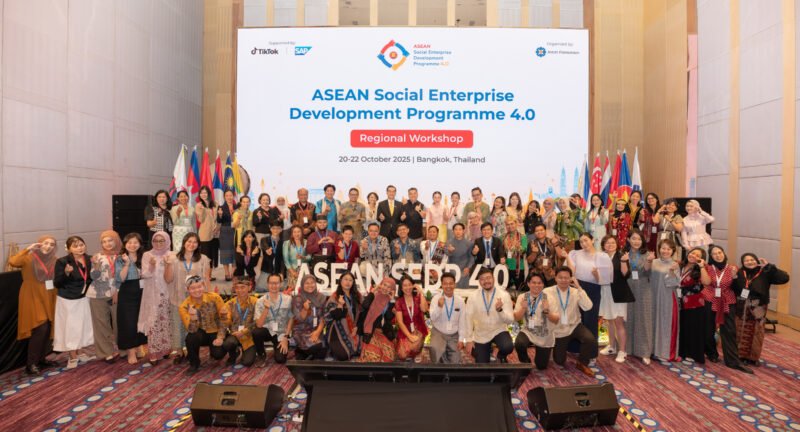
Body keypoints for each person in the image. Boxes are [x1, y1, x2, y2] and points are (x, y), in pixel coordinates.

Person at [8, 236, 59, 375]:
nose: (48, 246)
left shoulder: (54, 260)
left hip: (49, 294)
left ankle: (41, 359)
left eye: (52, 244)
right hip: (32, 294)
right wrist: (28, 249)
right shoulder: (29, 258)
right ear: (39, 243)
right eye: (45, 243)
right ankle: (31, 364)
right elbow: (13, 261)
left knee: (48, 327)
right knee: (40, 327)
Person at [700, 245, 752, 373]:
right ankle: (712, 353)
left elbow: (739, 289)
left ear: (724, 253)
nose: (718, 255)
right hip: (710, 298)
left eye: (719, 252)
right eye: (714, 254)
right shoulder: (708, 267)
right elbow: (706, 283)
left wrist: (735, 277)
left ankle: (732, 361)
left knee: (729, 330)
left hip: (727, 300)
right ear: (711, 257)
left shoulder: (732, 268)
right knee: (708, 328)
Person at [733, 253, 789, 365]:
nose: (749, 262)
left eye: (752, 259)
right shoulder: (739, 273)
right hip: (741, 306)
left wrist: (770, 267)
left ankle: (753, 357)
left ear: (756, 260)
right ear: (743, 263)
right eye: (746, 260)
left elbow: (784, 278)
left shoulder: (765, 272)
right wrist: (733, 277)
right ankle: (739, 355)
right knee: (740, 330)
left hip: (758, 307)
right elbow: (734, 288)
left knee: (756, 332)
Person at [563, 233, 612, 360]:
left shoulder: (602, 256)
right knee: (576, 318)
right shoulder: (575, 253)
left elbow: (605, 279)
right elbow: (571, 272)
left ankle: (590, 352)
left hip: (593, 288)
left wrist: (596, 275)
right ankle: (574, 348)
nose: (583, 244)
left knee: (590, 318)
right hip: (577, 287)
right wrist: (567, 257)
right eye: (581, 242)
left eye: (586, 240)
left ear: (592, 240)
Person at [165, 233, 212, 362]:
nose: (191, 244)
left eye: (195, 242)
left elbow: (206, 279)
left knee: (193, 325)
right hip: (178, 297)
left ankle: (191, 351)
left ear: (198, 245)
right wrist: (168, 265)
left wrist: (208, 297)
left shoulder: (203, 259)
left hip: (197, 299)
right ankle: (179, 352)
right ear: (184, 242)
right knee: (177, 325)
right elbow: (168, 279)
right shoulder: (174, 259)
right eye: (189, 241)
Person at [543, 267, 596, 377]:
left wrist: (579, 287)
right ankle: (556, 351)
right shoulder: (547, 292)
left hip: (574, 326)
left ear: (571, 279)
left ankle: (582, 363)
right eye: (560, 277)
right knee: (559, 361)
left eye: (566, 278)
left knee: (590, 339)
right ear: (555, 278)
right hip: (558, 329)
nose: (563, 280)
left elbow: (588, 306)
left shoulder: (576, 292)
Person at [53, 236, 95, 369]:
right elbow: (57, 283)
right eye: (75, 246)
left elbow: (91, 278)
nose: (79, 248)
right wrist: (66, 273)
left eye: (81, 244)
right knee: (71, 328)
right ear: (69, 248)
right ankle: (72, 356)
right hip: (68, 299)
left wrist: (97, 267)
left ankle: (81, 352)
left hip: (84, 297)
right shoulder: (63, 261)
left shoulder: (89, 259)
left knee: (83, 326)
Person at [180, 275, 229, 375]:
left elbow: (224, 319)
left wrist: (220, 337)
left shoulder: (215, 298)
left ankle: (221, 349)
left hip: (215, 330)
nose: (197, 290)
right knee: (191, 338)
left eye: (199, 286)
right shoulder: (184, 306)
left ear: (204, 286)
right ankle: (194, 363)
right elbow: (191, 330)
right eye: (193, 288)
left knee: (218, 355)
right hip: (199, 333)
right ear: (187, 289)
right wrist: (193, 318)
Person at [597, 235, 635, 363]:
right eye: (607, 243)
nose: (610, 245)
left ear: (617, 244)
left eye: (612, 242)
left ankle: (622, 351)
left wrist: (624, 262)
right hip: (605, 292)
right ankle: (611, 346)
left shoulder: (621, 256)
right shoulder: (601, 256)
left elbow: (625, 274)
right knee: (609, 321)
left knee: (618, 322)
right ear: (603, 245)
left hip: (618, 293)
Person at [464, 268, 514, 363]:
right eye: (482, 279)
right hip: (481, 334)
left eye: (488, 278)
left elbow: (510, 320)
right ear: (479, 281)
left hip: (498, 330)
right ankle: (489, 351)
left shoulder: (504, 295)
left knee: (507, 346)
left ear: (493, 279)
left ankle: (498, 352)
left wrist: (500, 310)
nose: (486, 281)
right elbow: (468, 318)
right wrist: (469, 339)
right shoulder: (473, 297)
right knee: (481, 363)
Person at [138, 231, 173, 365]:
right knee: (153, 323)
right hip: (152, 294)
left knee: (166, 322)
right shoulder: (147, 255)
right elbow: (145, 275)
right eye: (156, 241)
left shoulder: (171, 255)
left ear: (167, 241)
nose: (158, 244)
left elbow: (172, 276)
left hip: (168, 293)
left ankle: (165, 350)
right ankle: (153, 352)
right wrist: (152, 265)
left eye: (162, 241)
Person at [514, 273, 560, 370]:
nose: (536, 285)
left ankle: (544, 356)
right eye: (533, 283)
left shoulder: (550, 298)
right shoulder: (522, 297)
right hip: (528, 331)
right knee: (519, 343)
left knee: (541, 366)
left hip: (545, 336)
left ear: (543, 284)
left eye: (539, 283)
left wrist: (547, 311)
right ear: (528, 283)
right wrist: (523, 308)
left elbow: (556, 320)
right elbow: (516, 318)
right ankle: (525, 363)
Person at [88, 230, 121, 363]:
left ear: (116, 240)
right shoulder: (97, 257)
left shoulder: (122, 256)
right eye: (104, 241)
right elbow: (93, 277)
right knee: (101, 324)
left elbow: (124, 277)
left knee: (119, 322)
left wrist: (116, 291)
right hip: (98, 294)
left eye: (110, 240)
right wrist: (95, 266)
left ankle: (123, 348)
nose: (107, 244)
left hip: (117, 293)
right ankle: (106, 352)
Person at [623, 231, 654, 364]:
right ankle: (627, 349)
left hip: (643, 286)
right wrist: (624, 261)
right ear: (629, 239)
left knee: (644, 318)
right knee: (628, 317)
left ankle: (645, 352)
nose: (636, 241)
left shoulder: (647, 254)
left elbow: (647, 272)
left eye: (639, 239)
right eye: (633, 239)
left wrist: (648, 261)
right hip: (628, 285)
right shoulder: (624, 254)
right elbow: (623, 273)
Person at [115, 233, 147, 364]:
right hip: (127, 291)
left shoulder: (144, 257)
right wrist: (127, 264)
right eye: (129, 242)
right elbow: (120, 278)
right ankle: (131, 352)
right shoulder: (120, 259)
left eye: (135, 242)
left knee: (141, 320)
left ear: (140, 244)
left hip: (143, 291)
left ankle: (139, 345)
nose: (132, 245)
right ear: (125, 244)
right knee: (128, 322)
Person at [253, 274, 294, 364]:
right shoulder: (260, 301)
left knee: (280, 359)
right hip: (267, 330)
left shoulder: (288, 299)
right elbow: (259, 325)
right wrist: (266, 309)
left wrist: (286, 337)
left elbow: (291, 319)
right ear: (267, 284)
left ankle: (281, 345)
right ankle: (261, 354)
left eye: (276, 283)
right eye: (271, 283)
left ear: (281, 284)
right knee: (256, 332)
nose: (274, 286)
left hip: (281, 333)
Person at [651, 239, 681, 362]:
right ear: (659, 249)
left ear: (672, 251)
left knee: (666, 325)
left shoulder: (675, 264)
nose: (665, 251)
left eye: (668, 249)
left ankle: (665, 353)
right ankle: (653, 350)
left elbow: (673, 284)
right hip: (653, 296)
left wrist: (672, 271)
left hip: (668, 297)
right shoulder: (653, 262)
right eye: (663, 248)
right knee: (654, 323)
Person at [677, 247, 708, 364]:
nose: (693, 255)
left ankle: (693, 353)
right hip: (680, 302)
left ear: (701, 259)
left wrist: (702, 267)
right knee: (682, 327)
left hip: (694, 303)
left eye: (697, 255)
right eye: (692, 253)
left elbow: (706, 282)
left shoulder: (701, 269)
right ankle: (682, 351)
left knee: (693, 329)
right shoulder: (680, 265)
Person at [324, 272, 363, 361]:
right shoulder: (334, 297)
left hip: (354, 330)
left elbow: (362, 314)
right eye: (345, 279)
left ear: (353, 283)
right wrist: (340, 305)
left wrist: (357, 327)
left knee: (362, 350)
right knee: (344, 355)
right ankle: (332, 349)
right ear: (340, 281)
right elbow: (332, 317)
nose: (348, 282)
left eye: (350, 280)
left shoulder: (358, 296)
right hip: (338, 331)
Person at [429, 272, 467, 364]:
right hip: (439, 332)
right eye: (445, 283)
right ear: (442, 285)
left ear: (455, 284)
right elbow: (433, 318)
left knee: (455, 363)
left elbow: (462, 321)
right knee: (435, 352)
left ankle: (445, 354)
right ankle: (442, 354)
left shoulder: (460, 301)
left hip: (454, 335)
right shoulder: (436, 299)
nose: (448, 286)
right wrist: (439, 306)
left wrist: (461, 339)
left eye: (451, 283)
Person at [358, 277, 397, 362]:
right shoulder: (373, 295)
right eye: (384, 285)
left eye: (389, 287)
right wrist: (372, 292)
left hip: (383, 332)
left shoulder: (389, 300)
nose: (385, 288)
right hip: (370, 331)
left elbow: (389, 317)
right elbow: (364, 306)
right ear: (380, 284)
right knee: (373, 357)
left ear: (392, 289)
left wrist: (392, 300)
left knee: (389, 357)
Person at [222, 277, 259, 366]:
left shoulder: (256, 302)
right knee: (228, 343)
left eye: (242, 287)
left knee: (247, 362)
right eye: (237, 287)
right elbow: (225, 323)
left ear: (249, 288)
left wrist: (243, 331)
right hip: (234, 335)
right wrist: (224, 317)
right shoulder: (229, 304)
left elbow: (257, 322)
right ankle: (234, 354)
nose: (239, 290)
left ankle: (253, 350)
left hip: (248, 337)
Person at [291, 275, 328, 360]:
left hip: (316, 329)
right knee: (316, 348)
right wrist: (305, 309)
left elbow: (324, 317)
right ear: (302, 285)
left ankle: (303, 352)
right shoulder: (298, 298)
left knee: (323, 348)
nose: (310, 285)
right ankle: (302, 350)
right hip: (301, 330)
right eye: (307, 283)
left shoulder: (321, 297)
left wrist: (317, 332)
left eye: (312, 282)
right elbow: (298, 319)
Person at [394, 275, 429, 360]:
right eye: (405, 285)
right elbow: (400, 322)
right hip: (405, 331)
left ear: (413, 285)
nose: (407, 287)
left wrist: (421, 292)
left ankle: (417, 353)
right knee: (402, 354)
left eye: (409, 284)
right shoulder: (399, 301)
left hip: (419, 329)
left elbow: (424, 309)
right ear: (401, 288)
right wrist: (409, 336)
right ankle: (415, 354)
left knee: (414, 347)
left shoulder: (418, 298)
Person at [196, 186, 219, 277]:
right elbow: (201, 220)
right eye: (201, 193)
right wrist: (202, 211)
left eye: (205, 192)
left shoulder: (215, 203)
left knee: (213, 254)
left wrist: (217, 227)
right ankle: (205, 275)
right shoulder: (198, 205)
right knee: (206, 255)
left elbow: (218, 218)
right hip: (205, 233)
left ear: (208, 193)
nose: (203, 194)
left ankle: (209, 275)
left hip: (215, 233)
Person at [257, 222, 286, 292]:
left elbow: (283, 259)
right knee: (260, 288)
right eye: (273, 228)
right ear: (270, 229)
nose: (275, 230)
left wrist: (282, 273)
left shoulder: (283, 242)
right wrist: (267, 249)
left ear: (281, 229)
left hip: (278, 270)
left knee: (282, 288)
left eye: (278, 228)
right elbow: (263, 244)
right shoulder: (264, 239)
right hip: (266, 269)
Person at [217, 190, 237, 281]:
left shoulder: (237, 206)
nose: (229, 197)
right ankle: (226, 273)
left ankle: (233, 272)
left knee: (235, 252)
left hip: (236, 231)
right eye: (227, 195)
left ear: (233, 196)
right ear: (224, 197)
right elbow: (219, 221)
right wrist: (220, 215)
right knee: (225, 252)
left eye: (231, 195)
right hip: (225, 231)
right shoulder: (221, 207)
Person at [445, 223, 474, 288]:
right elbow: (446, 252)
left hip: (464, 269)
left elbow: (471, 257)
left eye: (460, 229)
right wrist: (450, 251)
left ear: (463, 231)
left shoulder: (469, 243)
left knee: (463, 290)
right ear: (453, 231)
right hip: (452, 269)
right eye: (456, 229)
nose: (458, 231)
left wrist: (468, 267)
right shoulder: (449, 242)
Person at [283, 226, 310, 293]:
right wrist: (292, 272)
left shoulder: (306, 242)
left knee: (304, 290)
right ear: (292, 233)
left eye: (298, 231)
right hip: (292, 270)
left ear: (302, 233)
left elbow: (310, 257)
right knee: (293, 291)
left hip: (304, 270)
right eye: (294, 232)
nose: (296, 234)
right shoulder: (287, 243)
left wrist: (303, 257)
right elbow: (286, 259)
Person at [503, 217, 528, 291]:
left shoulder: (522, 237)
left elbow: (524, 251)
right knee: (505, 291)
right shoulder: (503, 237)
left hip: (518, 268)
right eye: (507, 224)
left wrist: (519, 247)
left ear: (516, 224)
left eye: (512, 224)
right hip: (506, 268)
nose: (510, 226)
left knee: (519, 291)